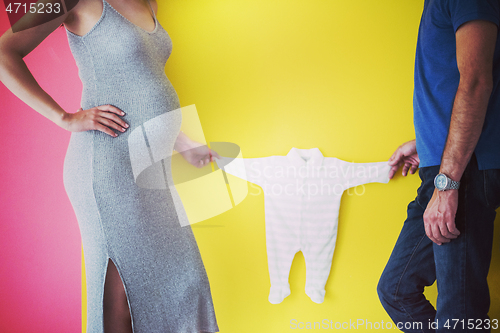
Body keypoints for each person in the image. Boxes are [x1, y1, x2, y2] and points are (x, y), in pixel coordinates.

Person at [0, 0, 220, 332]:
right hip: (108, 167)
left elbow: (142, 82)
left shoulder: (149, 3)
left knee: (185, 281)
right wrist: (65, 118)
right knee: (122, 296)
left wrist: (184, 143)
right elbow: (4, 54)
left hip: (149, 168)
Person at [377, 0, 500, 332]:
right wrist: (427, 143)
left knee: (459, 318)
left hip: (462, 174)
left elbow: (477, 82)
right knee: (396, 290)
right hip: (444, 167)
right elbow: (452, 86)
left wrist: (448, 183)